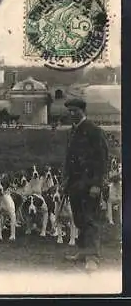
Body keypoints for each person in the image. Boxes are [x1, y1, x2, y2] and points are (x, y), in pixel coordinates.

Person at [62, 98, 109, 272]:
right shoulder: (71, 132)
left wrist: (97, 184)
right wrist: (64, 180)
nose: (72, 114)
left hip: (89, 183)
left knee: (90, 219)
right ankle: (82, 252)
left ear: (83, 111)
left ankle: (92, 257)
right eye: (70, 111)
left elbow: (102, 159)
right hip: (74, 183)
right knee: (79, 219)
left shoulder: (94, 131)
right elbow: (68, 159)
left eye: (75, 111)